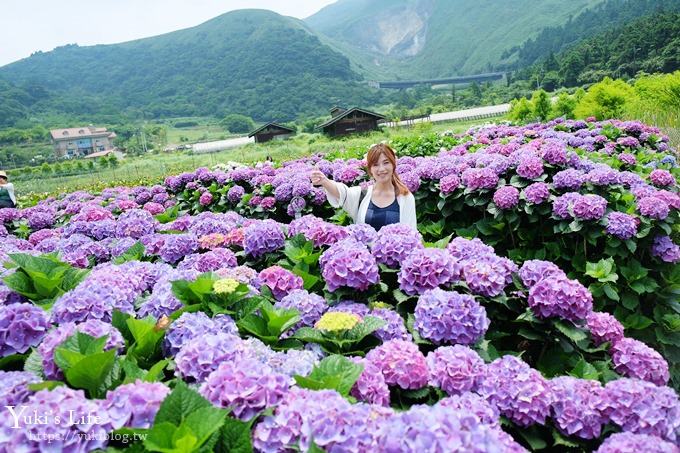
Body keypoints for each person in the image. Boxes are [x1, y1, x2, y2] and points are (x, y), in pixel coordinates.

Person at [310, 143, 417, 231]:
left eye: (386, 163)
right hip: (365, 256)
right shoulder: (362, 195)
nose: (381, 169)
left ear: (393, 164)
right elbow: (341, 192)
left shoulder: (405, 197)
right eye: (375, 165)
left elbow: (411, 235)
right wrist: (324, 181)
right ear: (370, 169)